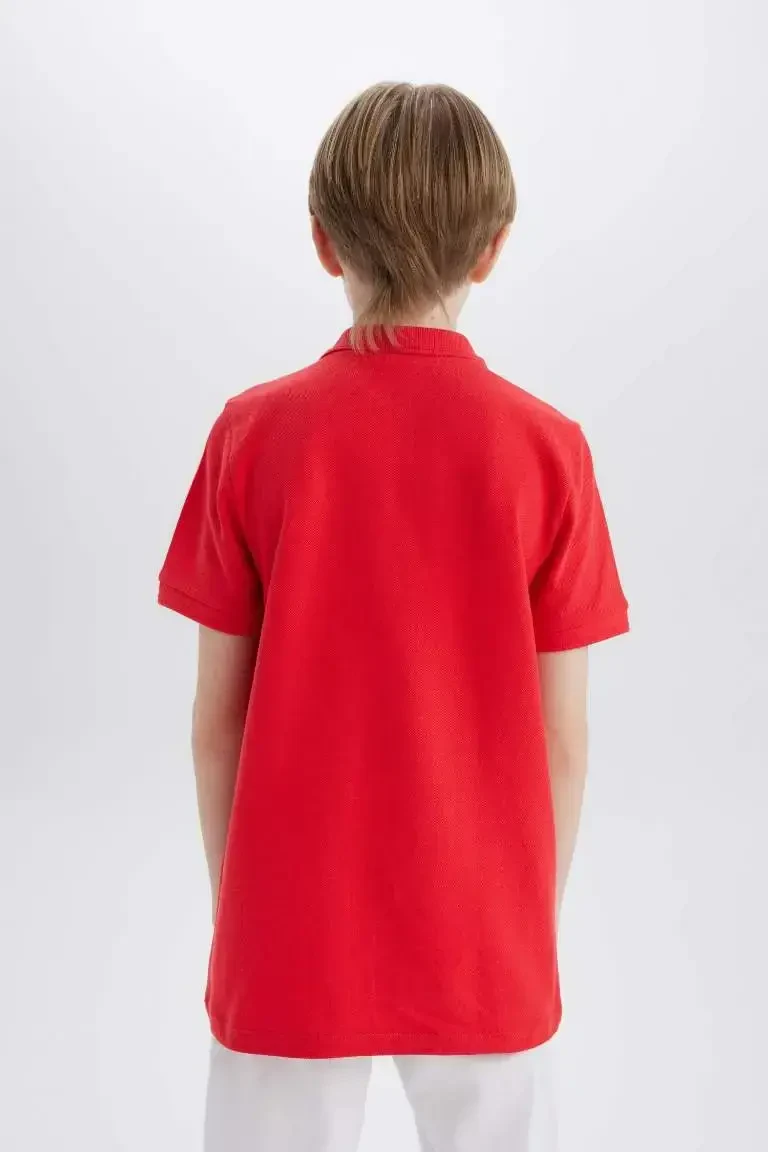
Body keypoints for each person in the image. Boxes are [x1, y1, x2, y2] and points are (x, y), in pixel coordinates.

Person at [158, 81, 630, 1152]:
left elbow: (215, 724)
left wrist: (243, 911)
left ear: (324, 241)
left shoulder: (251, 435)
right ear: (492, 250)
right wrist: (527, 921)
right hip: (484, 926)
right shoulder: (549, 450)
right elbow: (563, 738)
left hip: (291, 920)